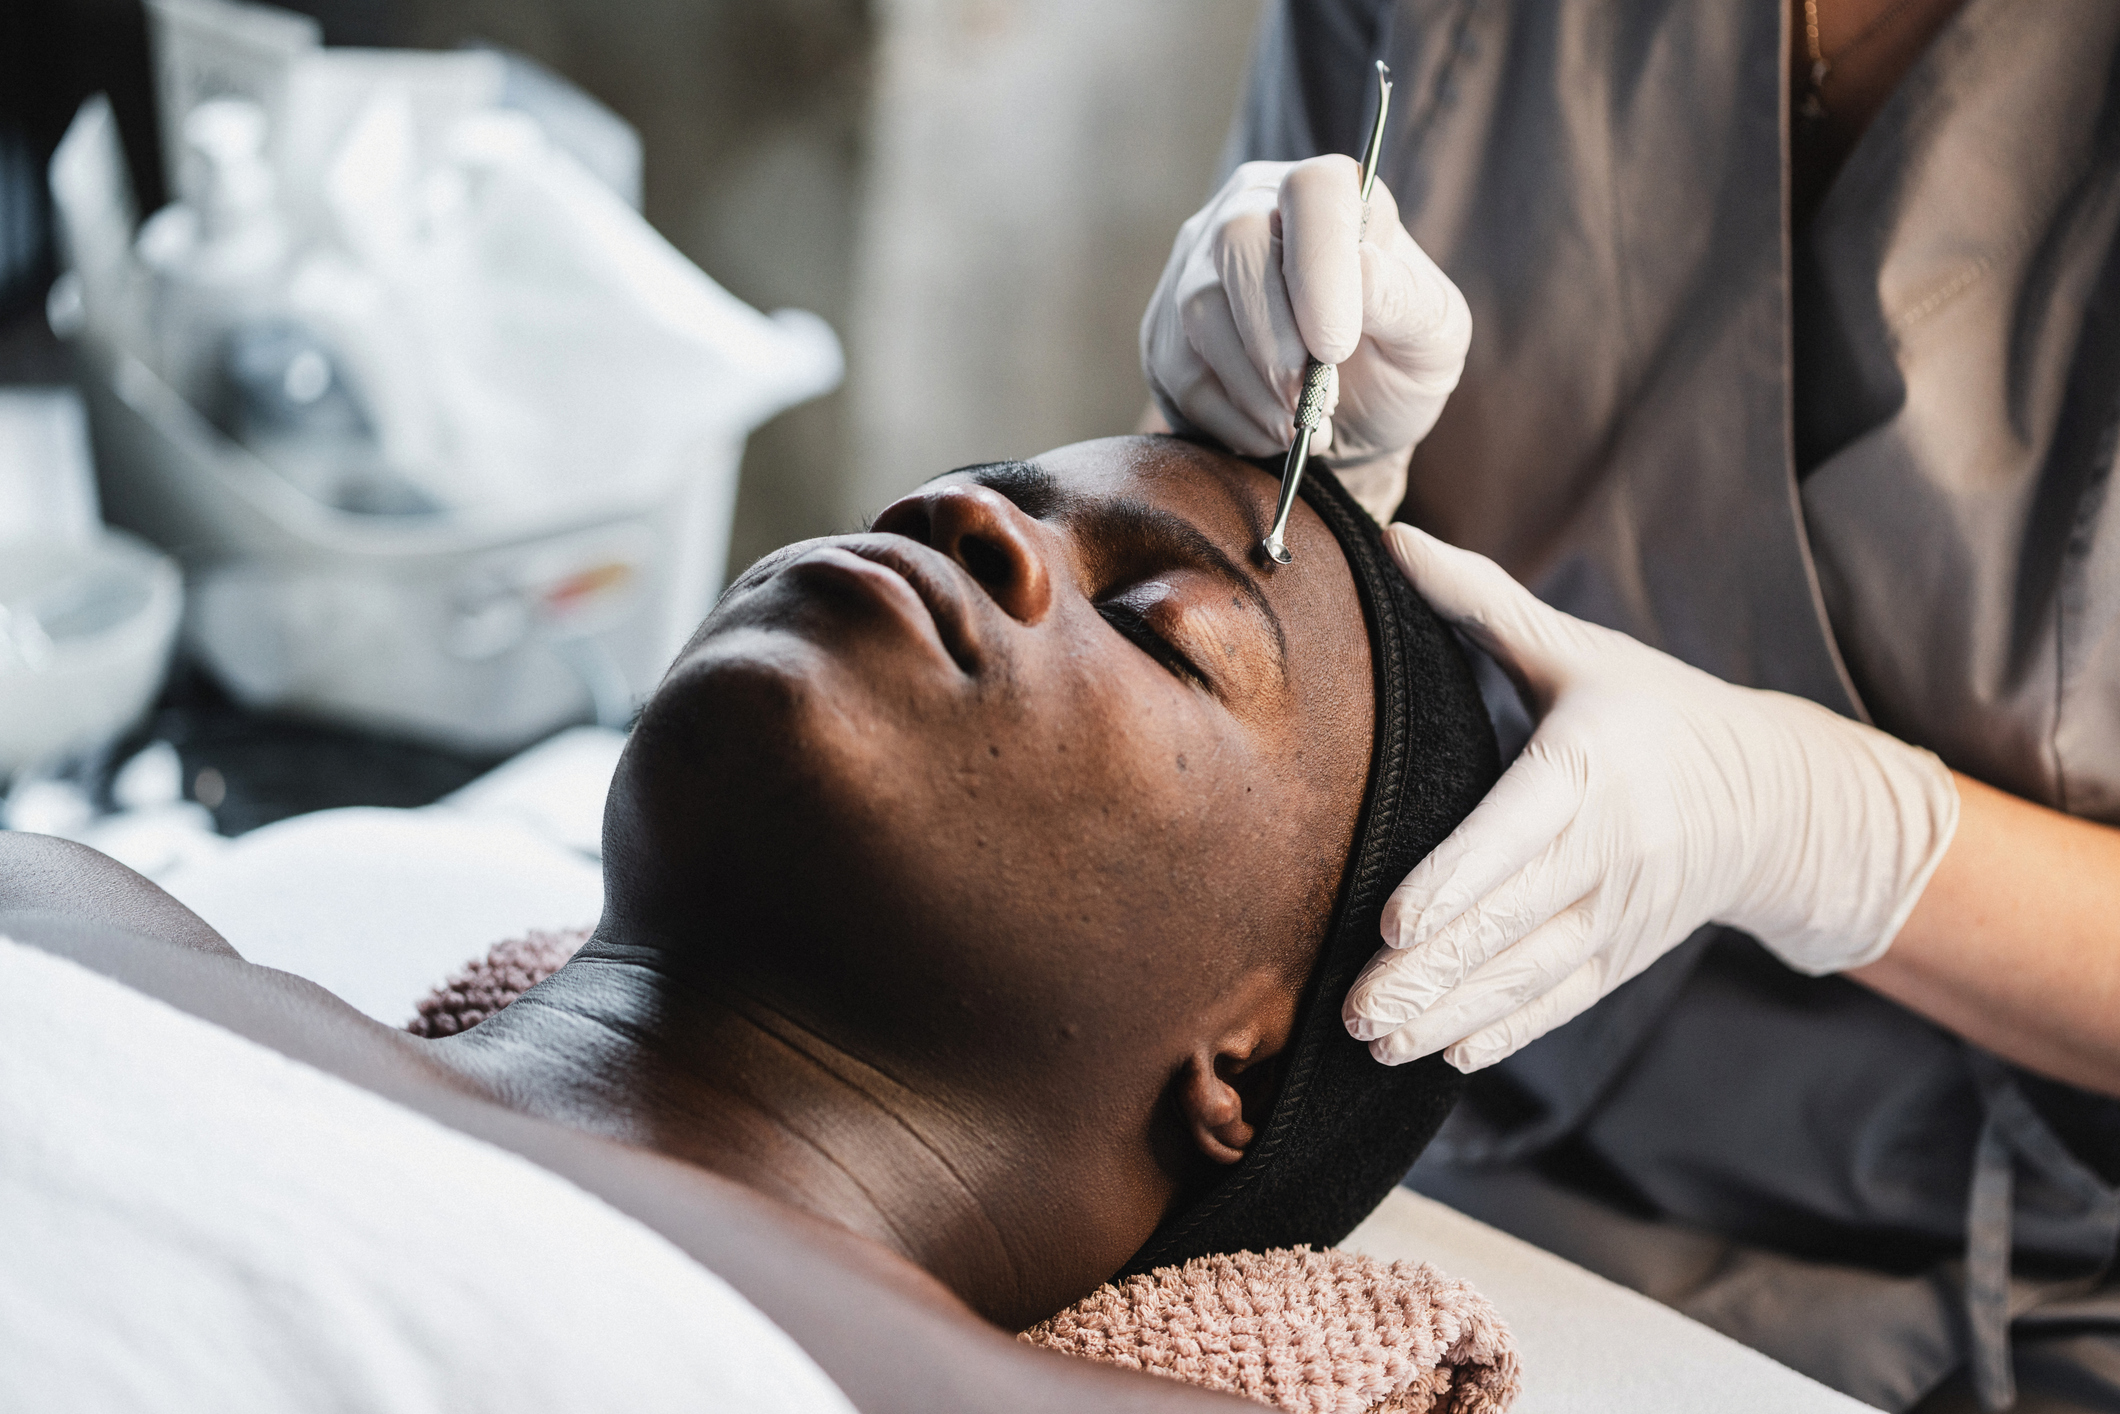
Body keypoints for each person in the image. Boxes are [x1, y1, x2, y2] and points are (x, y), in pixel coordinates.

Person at [1, 435, 1497, 1414]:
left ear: (1238, 1065)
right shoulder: (68, 911)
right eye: (979, 491)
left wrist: (1748, 798)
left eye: (1163, 631)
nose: (964, 518)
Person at [1139, 1, 2120, 1409]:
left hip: (2015, 1297)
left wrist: (1827, 830)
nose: (997, 547)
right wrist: (1254, 457)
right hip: (1420, 1157)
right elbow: (1262, 483)